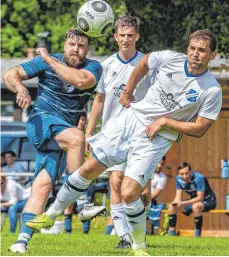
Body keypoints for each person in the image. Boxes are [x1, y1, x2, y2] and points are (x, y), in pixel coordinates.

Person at [26, 29, 222, 256]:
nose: (195, 54)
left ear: (212, 55)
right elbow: (146, 61)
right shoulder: (170, 59)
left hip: (157, 138)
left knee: (130, 193)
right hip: (132, 120)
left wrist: (165, 122)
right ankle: (51, 215)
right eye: (192, 48)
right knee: (89, 168)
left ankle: (139, 247)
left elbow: (200, 129)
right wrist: (128, 91)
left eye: (202, 51)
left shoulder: (211, 89)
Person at [3, 27, 103, 253]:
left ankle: (21, 241)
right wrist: (20, 89)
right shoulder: (47, 62)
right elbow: (9, 74)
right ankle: (83, 202)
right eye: (72, 45)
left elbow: (80, 81)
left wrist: (47, 59)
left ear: (87, 49)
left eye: (81, 46)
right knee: (77, 138)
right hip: (41, 122)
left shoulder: (94, 67)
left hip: (61, 135)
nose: (76, 49)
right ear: (65, 44)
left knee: (43, 186)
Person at [84, 15, 152, 248]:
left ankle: (139, 226)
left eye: (130, 35)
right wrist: (90, 131)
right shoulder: (106, 65)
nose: (125, 39)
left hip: (140, 132)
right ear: (115, 37)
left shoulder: (147, 64)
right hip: (113, 133)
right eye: (121, 35)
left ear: (137, 37)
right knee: (115, 182)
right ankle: (124, 237)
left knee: (138, 191)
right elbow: (99, 100)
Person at [168, 162, 216, 237]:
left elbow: (200, 198)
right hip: (194, 200)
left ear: (191, 171)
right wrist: (175, 203)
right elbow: (178, 195)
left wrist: (183, 203)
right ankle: (171, 234)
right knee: (171, 206)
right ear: (178, 173)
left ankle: (197, 234)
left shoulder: (199, 178)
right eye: (181, 174)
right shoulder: (178, 179)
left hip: (209, 200)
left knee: (196, 206)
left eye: (186, 173)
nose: (184, 176)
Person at [148, 156, 167, 234]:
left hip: (150, 201)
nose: (159, 166)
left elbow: (155, 195)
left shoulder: (162, 177)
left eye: (161, 164)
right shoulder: (145, 171)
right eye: (158, 163)